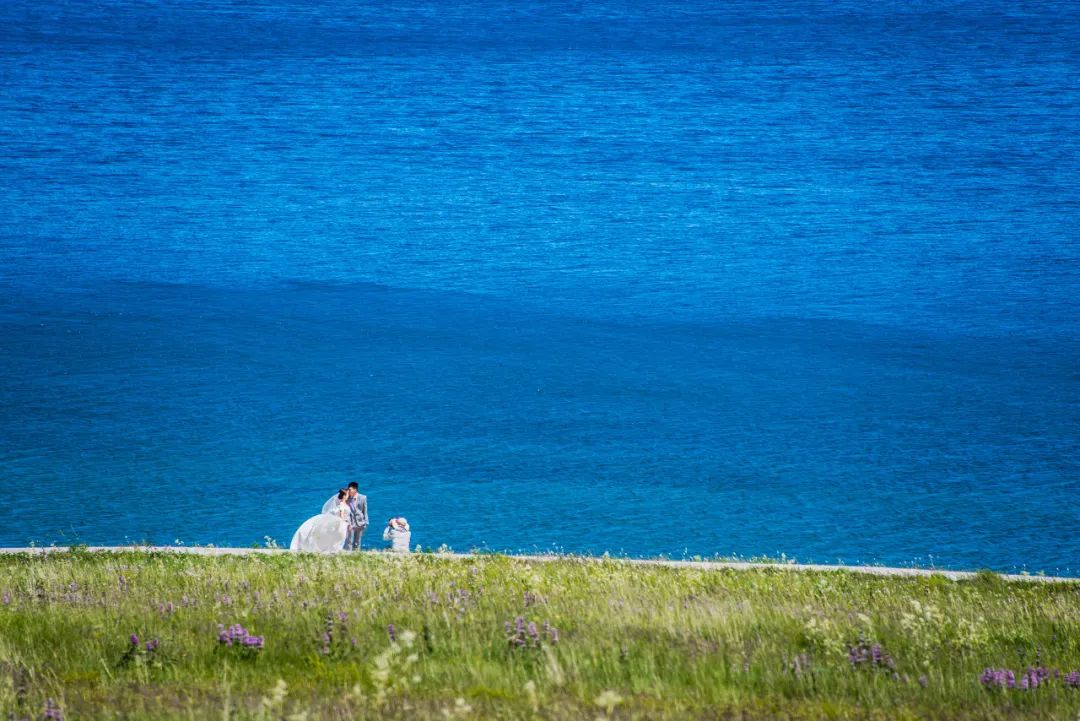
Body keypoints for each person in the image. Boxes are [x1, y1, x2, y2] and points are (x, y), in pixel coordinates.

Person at [290, 489, 350, 553]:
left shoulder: (342, 503)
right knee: (340, 536)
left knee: (340, 537)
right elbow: (341, 512)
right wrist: (343, 520)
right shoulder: (342, 504)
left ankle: (336, 549)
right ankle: (335, 549)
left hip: (343, 522)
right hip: (342, 522)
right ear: (344, 496)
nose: (348, 496)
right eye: (347, 495)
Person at [343, 481, 369, 551]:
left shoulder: (363, 497)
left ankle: (356, 554)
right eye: (348, 489)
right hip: (350, 523)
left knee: (357, 542)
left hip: (360, 523)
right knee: (349, 541)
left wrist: (366, 522)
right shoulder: (346, 499)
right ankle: (348, 554)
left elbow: (365, 511)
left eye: (350, 489)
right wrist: (346, 497)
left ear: (355, 489)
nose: (349, 491)